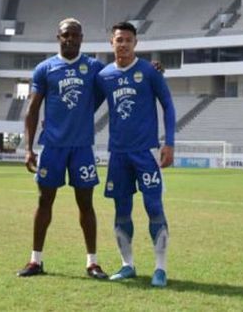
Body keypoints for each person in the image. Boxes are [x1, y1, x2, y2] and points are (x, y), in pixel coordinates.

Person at [17, 18, 108, 280]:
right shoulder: (45, 68)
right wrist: (28, 148)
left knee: (86, 204)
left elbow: (117, 80)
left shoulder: (93, 68)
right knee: (44, 201)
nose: (70, 39)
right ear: (58, 37)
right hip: (53, 147)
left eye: (75, 35)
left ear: (82, 38)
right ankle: (35, 260)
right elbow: (32, 109)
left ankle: (92, 262)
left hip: (82, 147)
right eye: (65, 35)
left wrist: (151, 68)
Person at [95, 21, 176, 287]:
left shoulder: (149, 72)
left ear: (135, 43)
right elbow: (87, 106)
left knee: (154, 207)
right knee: (121, 210)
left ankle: (160, 268)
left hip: (146, 151)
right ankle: (127, 264)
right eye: (119, 39)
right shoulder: (105, 75)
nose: (124, 44)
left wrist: (169, 143)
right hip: (118, 153)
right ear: (112, 43)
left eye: (129, 40)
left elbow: (168, 105)